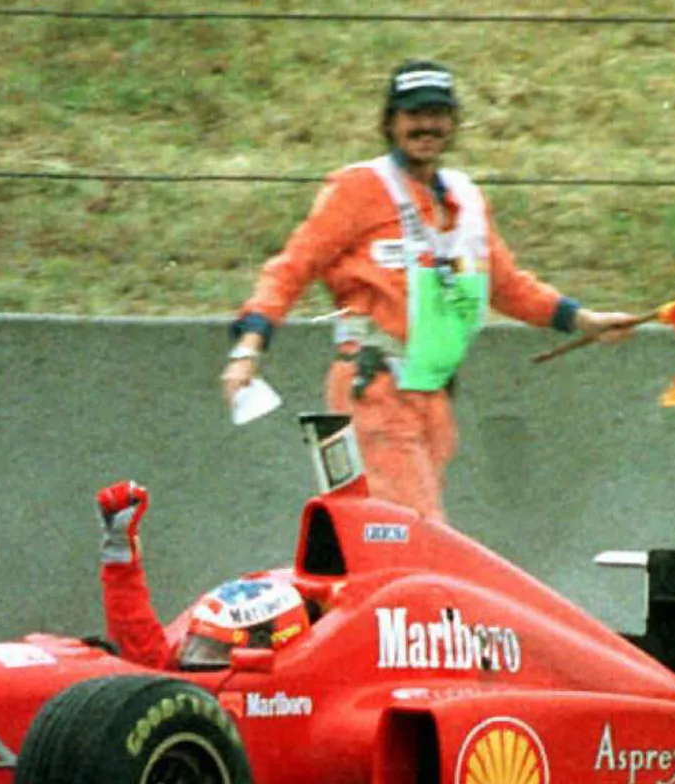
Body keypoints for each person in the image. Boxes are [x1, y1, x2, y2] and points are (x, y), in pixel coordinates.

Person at [221, 60, 638, 522]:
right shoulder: (359, 187)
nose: (427, 125)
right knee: (414, 532)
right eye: (413, 114)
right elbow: (290, 268)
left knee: (389, 537)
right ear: (390, 122)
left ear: (453, 124)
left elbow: (508, 286)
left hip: (432, 397)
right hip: (374, 389)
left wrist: (584, 320)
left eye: (438, 114)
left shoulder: (466, 198)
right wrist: (248, 349)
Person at [96, 480, 310, 670]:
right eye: (199, 647)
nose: (193, 659)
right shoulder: (183, 661)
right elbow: (144, 653)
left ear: (260, 645)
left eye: (214, 651)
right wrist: (119, 553)